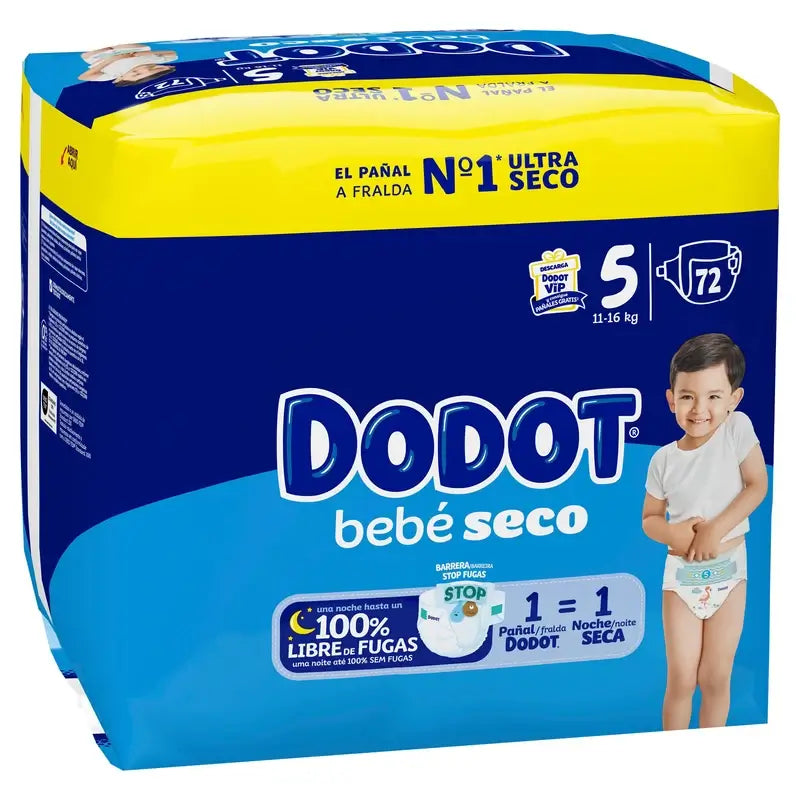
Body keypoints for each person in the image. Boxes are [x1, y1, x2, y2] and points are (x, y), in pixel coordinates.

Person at [642, 333, 768, 729]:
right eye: (687, 397)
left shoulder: (736, 430)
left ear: (734, 399)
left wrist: (715, 530)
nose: (699, 409)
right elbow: (649, 519)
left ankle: (711, 756)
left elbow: (757, 485)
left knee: (715, 677)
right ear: (671, 400)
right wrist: (674, 534)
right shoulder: (663, 460)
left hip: (730, 572)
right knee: (681, 678)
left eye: (714, 396)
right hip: (682, 579)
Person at [78, 45, 178, 86]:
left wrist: (112, 59)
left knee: (87, 56)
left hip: (101, 56)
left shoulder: (113, 75)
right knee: (144, 48)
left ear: (119, 79)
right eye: (150, 69)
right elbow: (173, 54)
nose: (142, 69)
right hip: (132, 49)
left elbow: (83, 77)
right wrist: (143, 54)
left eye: (135, 73)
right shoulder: (154, 60)